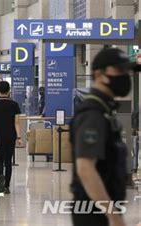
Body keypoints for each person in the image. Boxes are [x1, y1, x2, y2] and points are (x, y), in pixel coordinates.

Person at [70, 48, 139, 226]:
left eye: (126, 72)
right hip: (93, 213)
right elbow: (86, 169)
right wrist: (113, 216)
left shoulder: (105, 109)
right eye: (119, 71)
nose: (125, 76)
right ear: (99, 74)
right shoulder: (93, 113)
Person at [0, 81, 22, 194]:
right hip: (11, 135)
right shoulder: (14, 104)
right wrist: (19, 137)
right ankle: (7, 186)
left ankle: (0, 176)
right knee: (8, 161)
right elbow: (16, 123)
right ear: (9, 90)